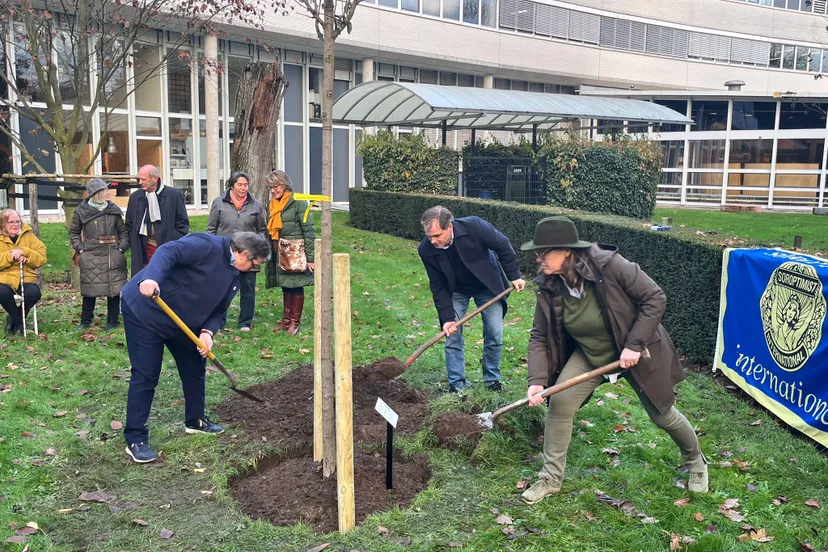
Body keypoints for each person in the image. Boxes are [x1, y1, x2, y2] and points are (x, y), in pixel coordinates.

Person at [519, 216, 708, 505]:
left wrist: (633, 345)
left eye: (543, 252)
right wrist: (537, 381)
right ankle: (550, 477)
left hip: (634, 350)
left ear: (566, 251)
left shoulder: (608, 265)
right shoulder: (550, 285)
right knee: (560, 403)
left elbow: (654, 298)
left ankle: (696, 462)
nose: (538, 259)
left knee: (662, 413)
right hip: (590, 353)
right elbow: (540, 337)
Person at [120, 231, 271, 463]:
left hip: (183, 322)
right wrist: (150, 278)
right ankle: (135, 438)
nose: (253, 269)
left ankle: (195, 420)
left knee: (194, 366)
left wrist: (207, 332)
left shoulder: (235, 275)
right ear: (242, 253)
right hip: (146, 312)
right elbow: (167, 251)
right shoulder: (206, 245)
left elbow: (220, 311)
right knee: (146, 373)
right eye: (254, 264)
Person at [418, 206, 525, 393]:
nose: (432, 241)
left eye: (437, 236)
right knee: (452, 334)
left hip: (487, 286)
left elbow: (503, 245)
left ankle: (492, 381)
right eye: (429, 237)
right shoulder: (426, 250)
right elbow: (438, 285)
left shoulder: (474, 226)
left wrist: (514, 275)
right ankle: (456, 385)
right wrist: (447, 317)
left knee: (494, 332)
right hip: (456, 290)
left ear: (449, 226)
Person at [206, 172, 268, 332]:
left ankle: (245, 322)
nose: (243, 188)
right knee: (222, 289)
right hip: (226, 253)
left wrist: (258, 248)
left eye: (245, 185)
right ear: (232, 185)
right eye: (240, 184)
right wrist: (212, 250)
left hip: (249, 254)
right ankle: (217, 321)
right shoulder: (219, 203)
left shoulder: (255, 205)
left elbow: (262, 229)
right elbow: (211, 229)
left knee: (248, 288)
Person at [68, 179, 130, 331]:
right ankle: (85, 321)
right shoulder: (82, 211)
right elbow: (74, 232)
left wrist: (122, 248)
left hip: (113, 254)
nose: (108, 193)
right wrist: (81, 249)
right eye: (105, 190)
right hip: (91, 255)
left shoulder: (113, 210)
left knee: (114, 290)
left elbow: (123, 231)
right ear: (97, 194)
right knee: (90, 290)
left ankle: (112, 322)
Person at [264, 170, 315, 336]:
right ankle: (286, 320)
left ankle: (295, 322)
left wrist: (311, 258)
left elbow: (308, 230)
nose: (273, 190)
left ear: (284, 185)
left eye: (276, 186)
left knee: (296, 285)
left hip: (295, 253)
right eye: (270, 187)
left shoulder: (298, 203)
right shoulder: (271, 204)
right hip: (279, 250)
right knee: (285, 285)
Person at [125, 164, 189, 277]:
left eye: (143, 179)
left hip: (166, 247)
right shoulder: (136, 197)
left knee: (165, 280)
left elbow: (182, 225)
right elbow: (129, 224)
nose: (140, 182)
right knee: (143, 281)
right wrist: (133, 242)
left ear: (155, 178)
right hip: (142, 249)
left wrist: (170, 240)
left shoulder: (173, 195)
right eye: (139, 179)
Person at [0, 209, 47, 335]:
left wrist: (24, 252)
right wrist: (11, 256)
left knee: (34, 293)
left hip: (25, 277)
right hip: (4, 279)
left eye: (18, 221)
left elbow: (42, 258)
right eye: (11, 222)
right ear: (3, 224)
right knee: (2, 292)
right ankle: (19, 322)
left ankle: (13, 320)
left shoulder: (29, 236)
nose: (16, 225)